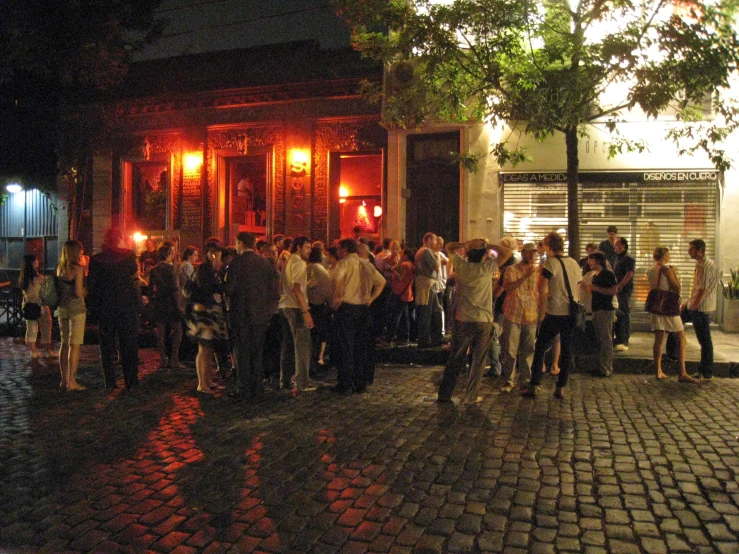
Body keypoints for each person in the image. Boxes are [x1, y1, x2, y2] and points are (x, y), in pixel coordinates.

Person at [437, 238, 512, 404]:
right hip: (483, 320)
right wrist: (487, 244)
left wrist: (468, 243)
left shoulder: (461, 266)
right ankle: (471, 396)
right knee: (478, 360)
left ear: (468, 255)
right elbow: (507, 252)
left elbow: (449, 246)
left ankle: (445, 394)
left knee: (455, 358)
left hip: (463, 319)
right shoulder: (487, 267)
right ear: (484, 256)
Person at [521, 232, 582, 400]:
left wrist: (541, 313)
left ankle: (535, 384)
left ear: (548, 246)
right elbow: (578, 286)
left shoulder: (550, 263)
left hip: (555, 311)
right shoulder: (574, 264)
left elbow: (542, 288)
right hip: (571, 312)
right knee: (566, 349)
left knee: (540, 346)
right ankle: (561, 386)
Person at [226, 232, 280, 400]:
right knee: (257, 352)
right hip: (260, 315)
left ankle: (244, 388)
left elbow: (230, 289)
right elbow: (273, 290)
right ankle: (258, 387)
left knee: (242, 352)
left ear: (240, 243)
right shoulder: (264, 263)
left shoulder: (237, 263)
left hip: (241, 315)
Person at [88, 228, 141, 391]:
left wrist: (93, 307)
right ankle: (131, 381)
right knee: (128, 344)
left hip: (105, 307)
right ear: (119, 239)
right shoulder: (128, 256)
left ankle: (110, 381)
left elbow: (92, 286)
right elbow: (134, 279)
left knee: (106, 346)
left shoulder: (96, 260)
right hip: (125, 306)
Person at [331, 238, 386, 394]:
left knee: (346, 347)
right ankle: (360, 382)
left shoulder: (344, 263)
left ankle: (345, 383)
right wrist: (371, 298)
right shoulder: (366, 264)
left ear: (345, 249)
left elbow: (338, 278)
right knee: (360, 347)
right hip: (363, 309)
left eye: (339, 249)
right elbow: (381, 282)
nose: (338, 252)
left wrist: (338, 296)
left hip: (347, 308)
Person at [647, 247, 699, 383]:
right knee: (681, 338)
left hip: (656, 307)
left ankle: (658, 370)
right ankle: (682, 372)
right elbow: (676, 287)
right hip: (668, 308)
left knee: (658, 339)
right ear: (664, 256)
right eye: (668, 254)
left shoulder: (651, 270)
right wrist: (674, 274)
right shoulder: (667, 269)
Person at [187, 242, 229, 394]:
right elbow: (206, 288)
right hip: (203, 313)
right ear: (212, 254)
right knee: (203, 348)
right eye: (218, 254)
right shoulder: (204, 269)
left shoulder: (211, 269)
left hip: (210, 313)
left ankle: (208, 380)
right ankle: (202, 384)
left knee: (209, 348)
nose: (220, 257)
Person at [278, 236, 317, 393]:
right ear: (299, 247)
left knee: (288, 345)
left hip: (285, 305)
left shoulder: (289, 261)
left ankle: (285, 379)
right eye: (307, 248)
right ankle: (302, 381)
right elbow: (296, 288)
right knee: (302, 345)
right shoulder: (299, 263)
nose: (309, 251)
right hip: (295, 307)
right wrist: (305, 311)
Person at [499, 243, 539, 393]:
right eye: (529, 253)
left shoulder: (539, 271)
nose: (532, 256)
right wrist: (524, 277)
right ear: (523, 254)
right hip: (513, 312)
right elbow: (508, 287)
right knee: (510, 348)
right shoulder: (511, 269)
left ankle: (525, 379)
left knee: (528, 349)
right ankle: (509, 379)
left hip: (531, 314)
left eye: (534, 253)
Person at [685, 239, 719, 380]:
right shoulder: (703, 264)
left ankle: (706, 370)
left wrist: (693, 305)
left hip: (700, 308)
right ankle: (672, 353)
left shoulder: (704, 266)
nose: (689, 251)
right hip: (698, 305)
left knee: (704, 340)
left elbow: (702, 289)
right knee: (677, 323)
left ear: (700, 251)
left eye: (691, 249)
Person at [57, 240, 87, 391]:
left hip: (62, 309)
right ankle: (72, 381)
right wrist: (84, 291)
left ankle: (63, 379)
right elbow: (77, 292)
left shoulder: (60, 268)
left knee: (64, 344)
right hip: (76, 309)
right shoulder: (78, 269)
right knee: (74, 345)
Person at [148, 245, 185, 370]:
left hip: (160, 302)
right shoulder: (171, 269)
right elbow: (175, 288)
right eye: (173, 251)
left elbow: (150, 289)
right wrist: (180, 305)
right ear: (169, 253)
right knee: (178, 330)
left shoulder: (154, 269)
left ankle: (163, 359)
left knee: (161, 332)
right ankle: (174, 359)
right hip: (171, 303)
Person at [584, 251, 618, 377]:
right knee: (600, 339)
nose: (588, 262)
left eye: (590, 259)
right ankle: (601, 366)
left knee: (606, 339)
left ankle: (606, 368)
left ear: (597, 261)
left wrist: (596, 288)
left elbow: (614, 290)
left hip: (605, 310)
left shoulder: (607, 274)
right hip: (597, 309)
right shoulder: (595, 275)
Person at [19, 255, 56, 360]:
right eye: (36, 260)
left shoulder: (24, 278)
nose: (38, 261)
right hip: (40, 306)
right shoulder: (38, 278)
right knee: (46, 327)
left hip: (28, 305)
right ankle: (47, 351)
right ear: (33, 263)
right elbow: (47, 291)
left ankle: (33, 351)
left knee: (31, 329)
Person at [415, 232, 443, 348]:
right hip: (427, 284)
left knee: (436, 309)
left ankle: (436, 337)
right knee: (426, 311)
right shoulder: (426, 251)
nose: (436, 242)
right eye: (435, 240)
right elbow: (436, 266)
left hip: (426, 283)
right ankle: (424, 339)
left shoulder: (421, 251)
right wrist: (437, 257)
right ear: (428, 240)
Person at [307, 246, 333, 368]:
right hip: (319, 306)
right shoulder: (322, 271)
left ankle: (310, 360)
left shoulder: (305, 269)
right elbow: (327, 292)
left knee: (310, 335)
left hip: (307, 306)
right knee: (321, 334)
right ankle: (318, 359)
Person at [385, 247, 415, 346]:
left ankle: (390, 338)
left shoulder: (404, 265)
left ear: (406, 255)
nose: (401, 255)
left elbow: (400, 278)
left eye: (402, 254)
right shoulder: (412, 265)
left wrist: (393, 270)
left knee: (395, 316)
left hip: (400, 292)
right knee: (405, 317)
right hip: (406, 293)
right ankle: (404, 337)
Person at [613, 238, 635, 351]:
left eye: (617, 245)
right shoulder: (619, 258)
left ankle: (625, 337)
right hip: (619, 289)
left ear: (623, 246)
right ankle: (621, 336)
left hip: (624, 290)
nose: (615, 247)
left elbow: (629, 273)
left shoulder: (628, 258)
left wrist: (620, 286)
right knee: (621, 311)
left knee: (624, 312)